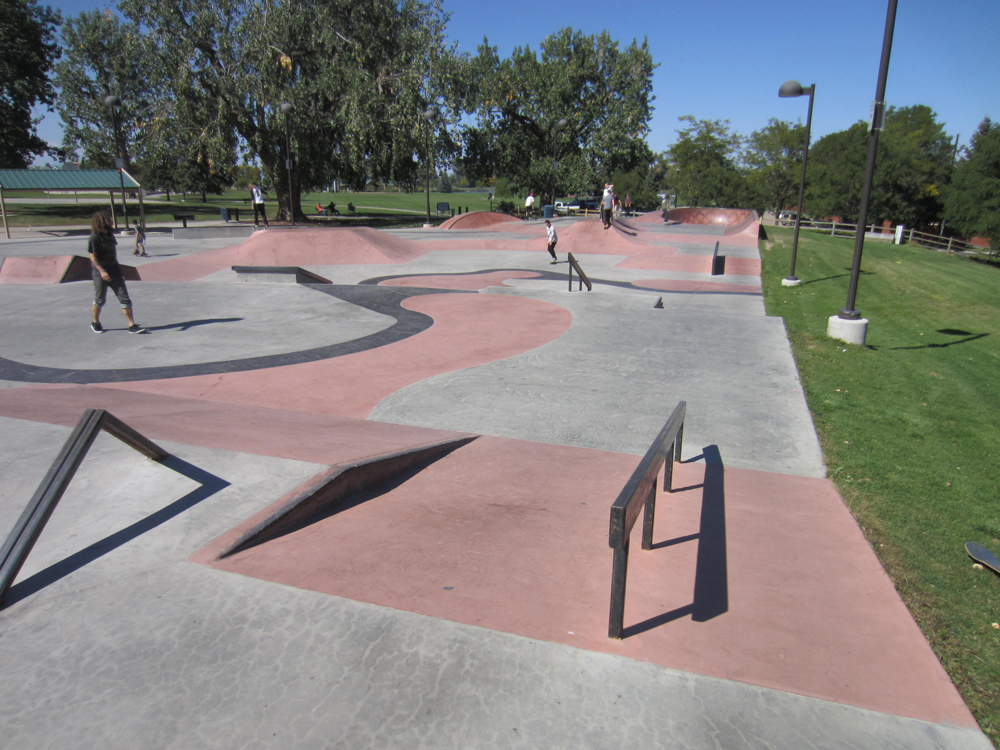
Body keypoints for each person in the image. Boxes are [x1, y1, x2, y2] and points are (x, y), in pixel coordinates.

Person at [88, 210, 145, 334]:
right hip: (100, 273)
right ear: (101, 221)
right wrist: (102, 271)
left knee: (124, 298)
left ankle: (132, 325)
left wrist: (120, 271)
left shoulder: (109, 235)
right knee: (100, 299)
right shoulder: (95, 237)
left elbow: (113, 255)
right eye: (108, 219)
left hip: (114, 270)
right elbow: (92, 256)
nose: (111, 221)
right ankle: (95, 322)